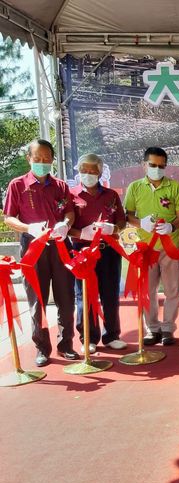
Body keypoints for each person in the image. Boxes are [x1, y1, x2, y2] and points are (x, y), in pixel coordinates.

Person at [3, 139, 77, 366]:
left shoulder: (61, 186)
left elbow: (70, 212)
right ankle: (42, 348)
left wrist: (65, 223)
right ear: (29, 158)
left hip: (60, 245)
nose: (42, 163)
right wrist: (29, 228)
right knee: (37, 299)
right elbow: (8, 218)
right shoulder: (17, 185)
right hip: (33, 247)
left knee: (66, 297)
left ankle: (66, 345)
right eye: (38, 159)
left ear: (53, 160)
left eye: (47, 159)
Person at [124, 147, 179, 346]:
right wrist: (140, 222)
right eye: (152, 165)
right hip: (146, 249)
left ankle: (168, 328)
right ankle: (152, 328)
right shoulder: (135, 187)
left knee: (172, 290)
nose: (157, 169)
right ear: (144, 165)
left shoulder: (174, 187)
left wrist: (172, 226)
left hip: (171, 247)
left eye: (161, 166)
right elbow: (128, 214)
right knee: (148, 291)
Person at [69, 153, 128, 353]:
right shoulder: (71, 195)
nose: (88, 174)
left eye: (92, 171)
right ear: (78, 171)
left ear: (100, 172)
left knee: (110, 293)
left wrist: (114, 228)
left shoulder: (111, 195)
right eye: (84, 170)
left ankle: (111, 335)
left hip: (108, 250)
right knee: (85, 295)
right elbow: (66, 226)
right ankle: (89, 337)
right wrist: (81, 233)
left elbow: (122, 220)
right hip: (83, 252)